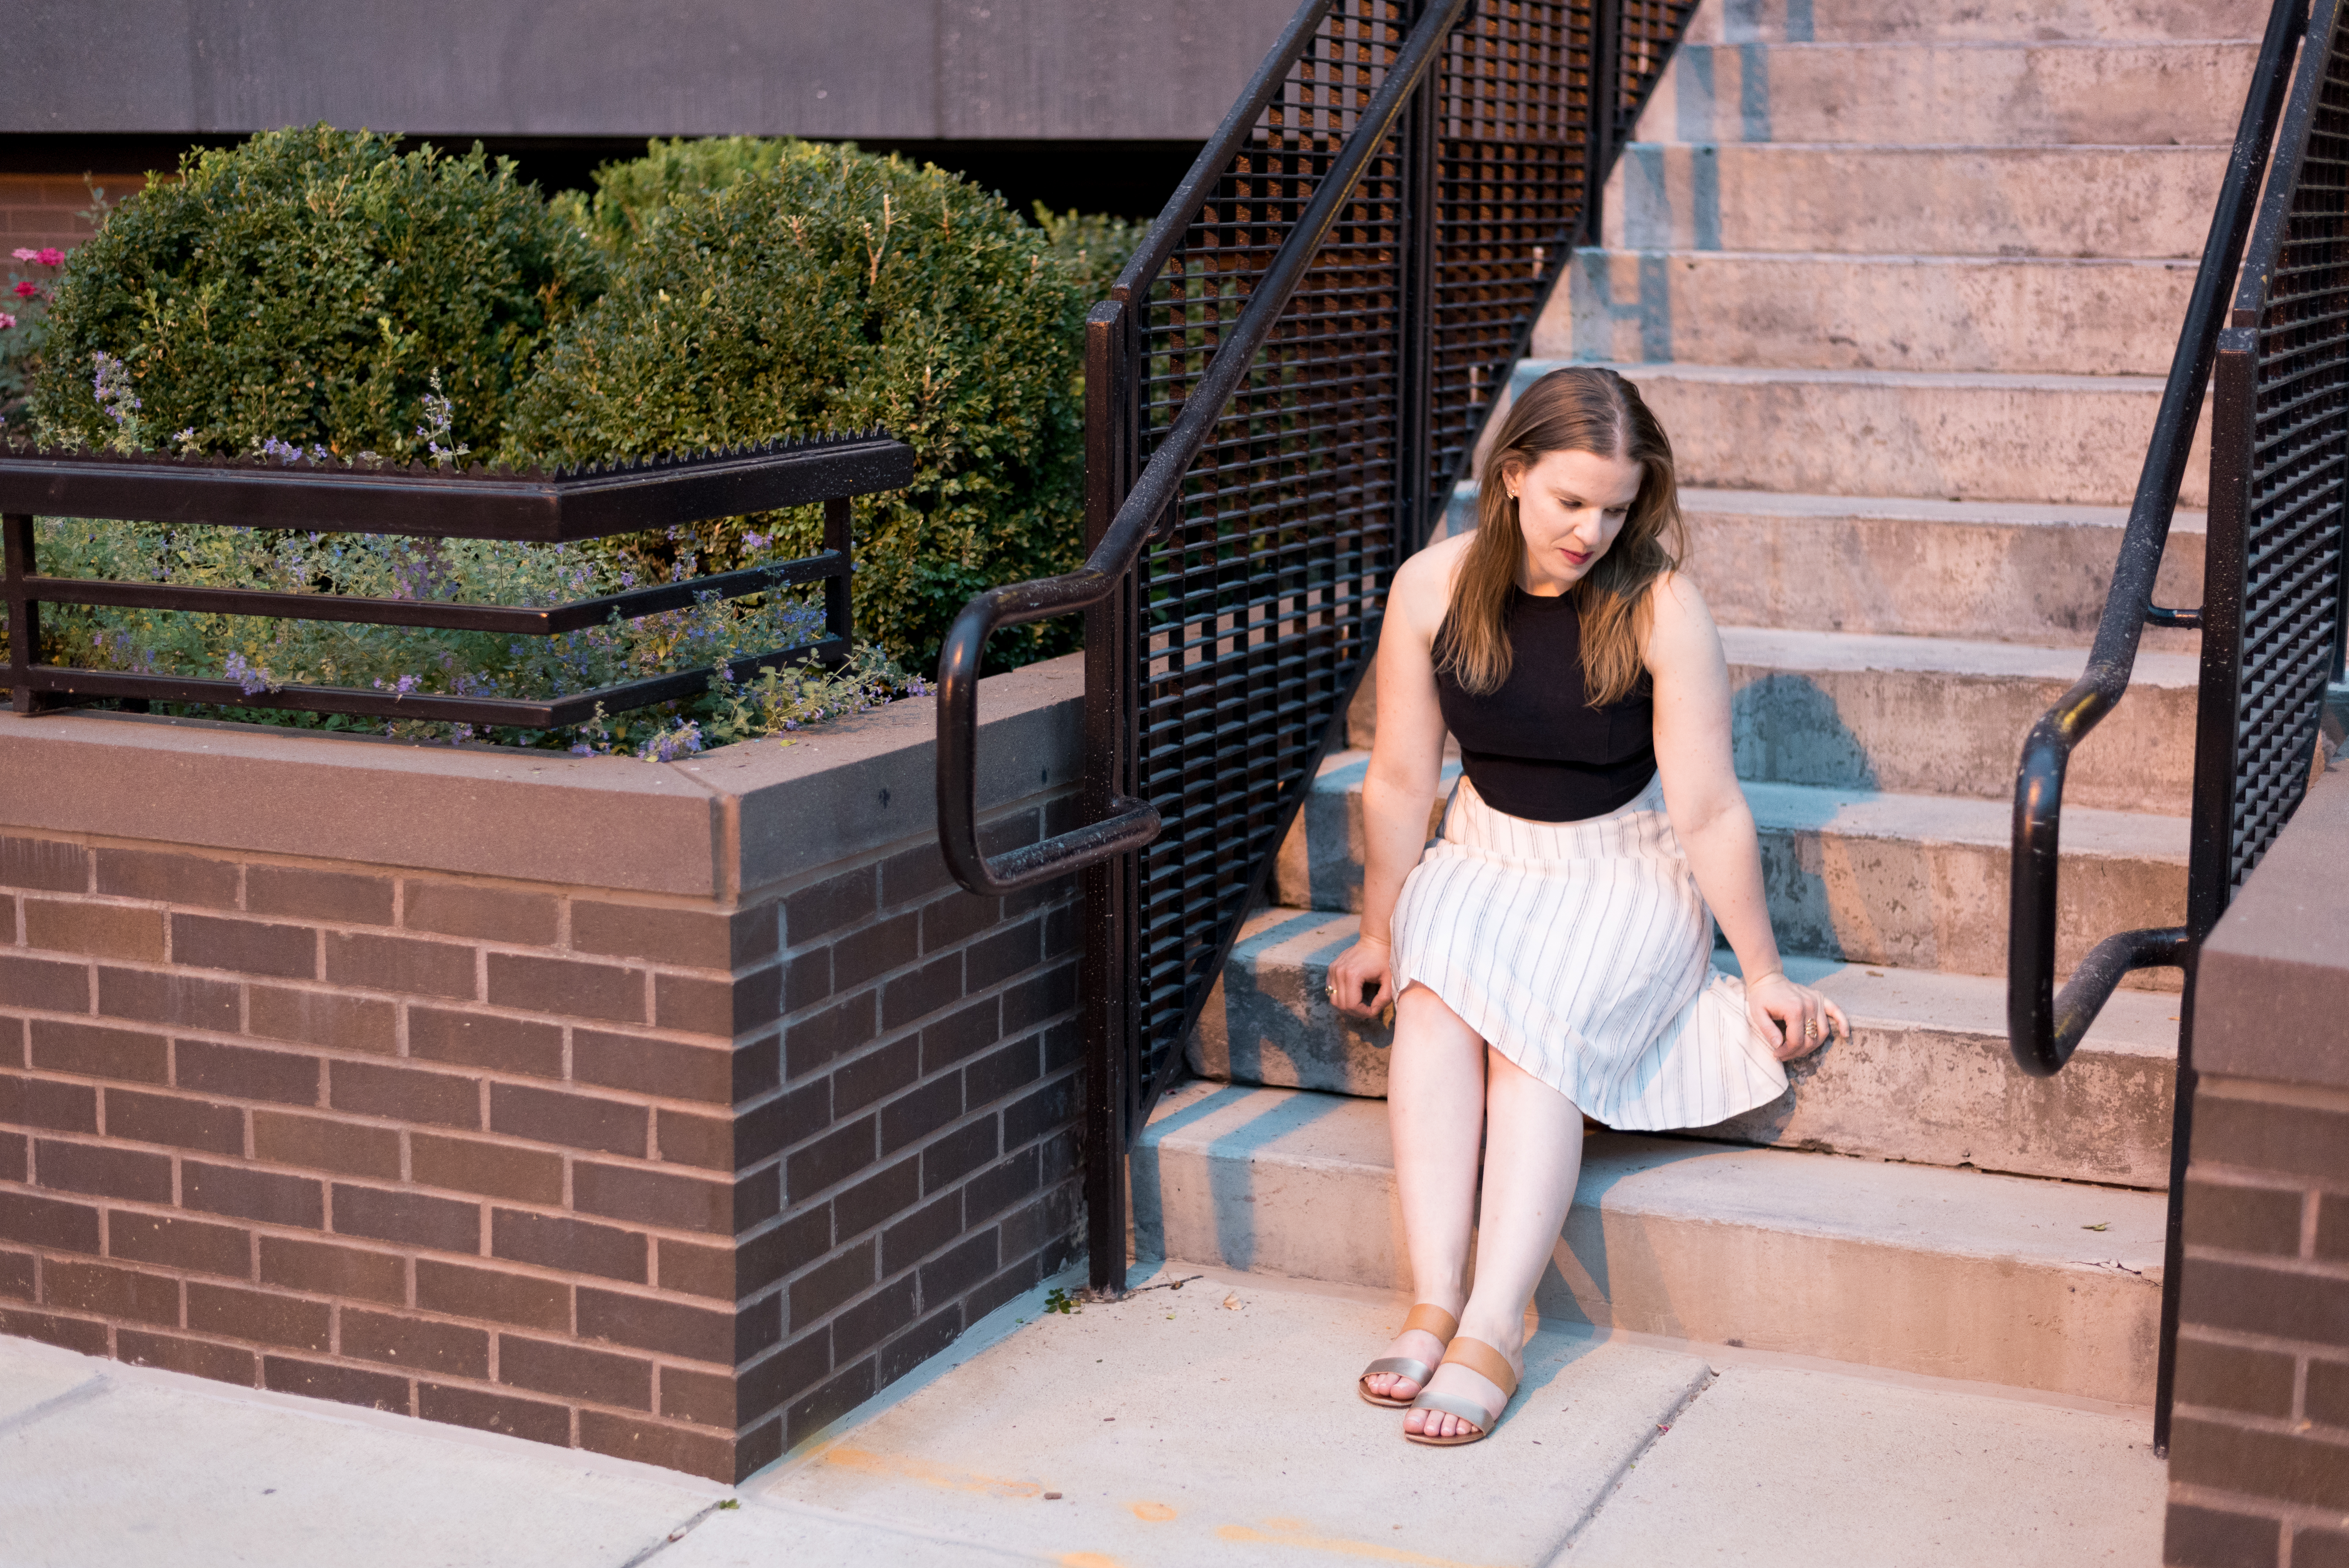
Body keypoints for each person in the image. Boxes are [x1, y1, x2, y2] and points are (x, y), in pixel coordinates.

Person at [1325, 365, 1848, 1447]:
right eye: (1571, 501)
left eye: (1615, 508)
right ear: (1511, 475)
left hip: (1620, 873)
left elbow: (1704, 806)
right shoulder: (1431, 585)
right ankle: (1431, 1299)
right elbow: (1395, 778)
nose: (1592, 530)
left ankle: (1493, 1325)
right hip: (1480, 857)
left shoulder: (1658, 601)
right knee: (1429, 1008)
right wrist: (1377, 929)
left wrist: (1757, 967)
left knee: (1531, 1040)